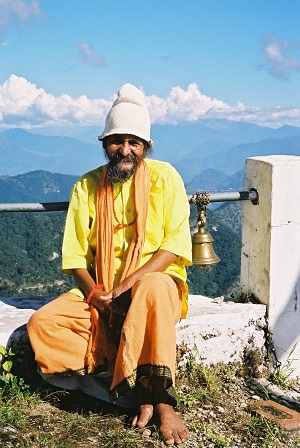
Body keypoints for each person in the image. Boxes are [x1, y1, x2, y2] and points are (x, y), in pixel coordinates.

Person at [27, 83, 192, 446]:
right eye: (117, 140)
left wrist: (127, 285)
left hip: (155, 287)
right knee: (43, 325)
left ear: (146, 147)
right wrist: (97, 294)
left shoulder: (166, 178)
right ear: (105, 144)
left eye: (134, 142)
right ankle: (132, 390)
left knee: (152, 287)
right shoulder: (87, 187)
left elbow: (174, 246)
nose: (125, 150)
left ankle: (162, 400)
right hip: (101, 288)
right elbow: (74, 258)